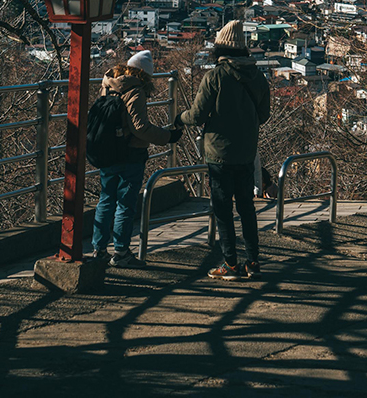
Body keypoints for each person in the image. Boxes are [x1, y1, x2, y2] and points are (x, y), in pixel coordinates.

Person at [175, 20, 270, 280]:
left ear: (220, 49)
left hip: (219, 153)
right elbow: (264, 115)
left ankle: (230, 263)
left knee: (223, 210)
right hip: (246, 152)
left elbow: (196, 115)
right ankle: (253, 261)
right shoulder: (258, 77)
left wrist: (178, 118)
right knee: (247, 208)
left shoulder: (215, 76)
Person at [91, 49, 182, 267]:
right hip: (130, 153)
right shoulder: (135, 90)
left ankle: (99, 249)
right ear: (144, 74)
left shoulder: (108, 85)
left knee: (106, 199)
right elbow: (140, 127)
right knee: (125, 202)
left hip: (106, 150)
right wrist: (167, 136)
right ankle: (121, 252)